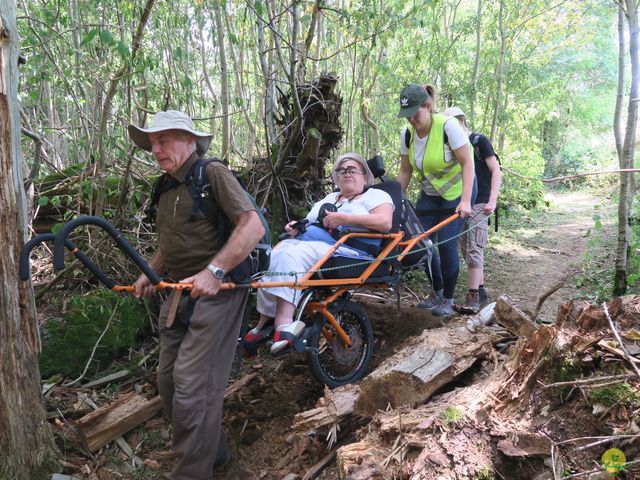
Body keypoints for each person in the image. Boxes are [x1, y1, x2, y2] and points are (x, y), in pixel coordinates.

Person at [128, 110, 265, 480]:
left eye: (164, 140)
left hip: (221, 289)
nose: (156, 150)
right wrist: (151, 271)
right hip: (179, 290)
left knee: (192, 386)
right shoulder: (166, 185)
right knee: (168, 381)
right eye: (152, 143)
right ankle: (215, 453)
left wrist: (214, 270)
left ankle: (193, 473)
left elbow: (252, 226)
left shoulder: (212, 174)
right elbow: (173, 241)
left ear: (190, 141)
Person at [247, 153, 394, 354]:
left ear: (365, 177)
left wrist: (343, 219)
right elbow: (310, 223)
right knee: (276, 253)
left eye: (352, 170)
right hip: (317, 244)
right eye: (342, 171)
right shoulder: (329, 198)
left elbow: (385, 223)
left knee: (291, 255)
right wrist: (297, 228)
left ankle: (282, 324)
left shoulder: (376, 195)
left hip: (351, 250)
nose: (346, 173)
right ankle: (266, 320)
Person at [397, 84, 475, 317]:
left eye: (415, 112)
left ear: (427, 106)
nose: (411, 118)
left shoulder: (448, 127)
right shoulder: (408, 134)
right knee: (422, 244)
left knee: (447, 244)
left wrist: (466, 201)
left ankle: (448, 301)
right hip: (430, 194)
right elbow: (405, 171)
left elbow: (468, 163)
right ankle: (436, 293)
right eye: (406, 114)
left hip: (458, 193)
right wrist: (393, 200)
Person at [443, 106, 502, 311]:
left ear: (462, 121)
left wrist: (492, 200)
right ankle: (482, 290)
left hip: (480, 201)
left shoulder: (478, 142)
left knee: (474, 247)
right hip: (463, 202)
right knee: (466, 248)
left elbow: (496, 170)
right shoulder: (451, 148)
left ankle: (473, 297)